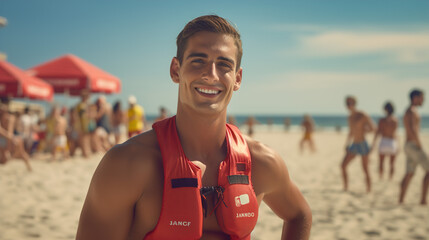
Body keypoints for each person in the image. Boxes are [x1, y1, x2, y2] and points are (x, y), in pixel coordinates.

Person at [76, 15, 311, 239]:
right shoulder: (128, 164)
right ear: (175, 70)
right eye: (198, 61)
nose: (211, 75)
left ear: (237, 79)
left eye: (224, 65)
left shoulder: (261, 162)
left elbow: (299, 215)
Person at [399, 89, 429, 205]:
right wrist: (419, 144)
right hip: (413, 145)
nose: (424, 100)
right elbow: (413, 129)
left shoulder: (409, 111)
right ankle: (423, 200)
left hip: (408, 145)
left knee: (409, 173)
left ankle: (401, 199)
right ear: (415, 98)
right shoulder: (411, 111)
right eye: (422, 97)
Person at [340, 96, 375, 193]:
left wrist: (364, 130)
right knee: (343, 165)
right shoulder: (350, 117)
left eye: (350, 103)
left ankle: (369, 190)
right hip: (354, 144)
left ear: (355, 103)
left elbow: (373, 128)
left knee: (365, 169)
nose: (348, 105)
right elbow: (351, 132)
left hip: (363, 144)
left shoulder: (362, 114)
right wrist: (346, 144)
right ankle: (345, 187)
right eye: (347, 103)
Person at [0, 99, 32, 171]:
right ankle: (29, 167)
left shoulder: (10, 118)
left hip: (8, 138)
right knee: (5, 159)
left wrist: (10, 139)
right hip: (7, 138)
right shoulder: (8, 117)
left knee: (21, 154)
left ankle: (29, 168)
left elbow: (9, 131)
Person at [371, 102, 399, 180]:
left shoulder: (382, 120)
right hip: (392, 142)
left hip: (383, 141)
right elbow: (395, 133)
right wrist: (398, 145)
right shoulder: (395, 120)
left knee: (381, 162)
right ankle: (390, 178)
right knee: (392, 163)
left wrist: (374, 142)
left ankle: (381, 177)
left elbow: (378, 132)